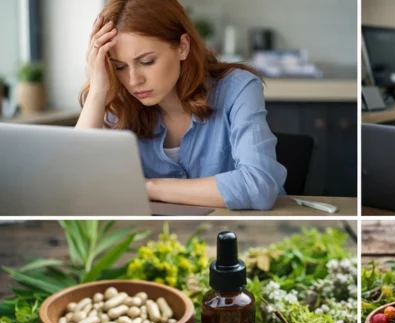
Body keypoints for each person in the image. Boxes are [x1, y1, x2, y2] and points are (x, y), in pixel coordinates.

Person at [76, 0, 286, 211]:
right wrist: (97, 91)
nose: (133, 80)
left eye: (147, 62)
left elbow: (258, 186)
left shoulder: (237, 88)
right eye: (120, 67)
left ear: (183, 47)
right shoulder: (119, 102)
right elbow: (75, 187)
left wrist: (148, 187)